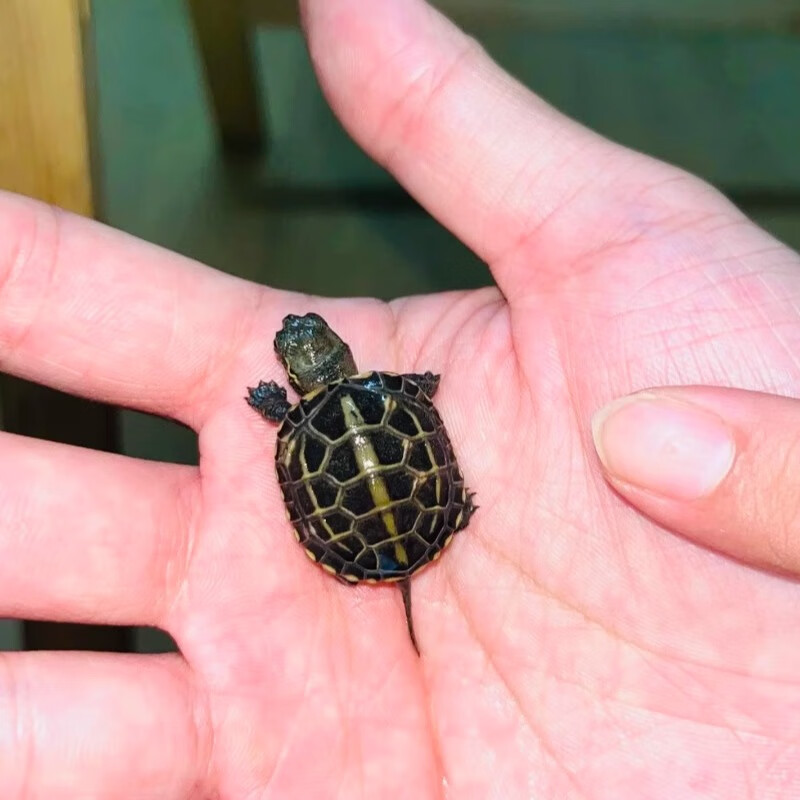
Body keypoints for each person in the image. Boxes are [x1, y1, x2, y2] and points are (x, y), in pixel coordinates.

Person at [0, 0, 798, 796]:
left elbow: (328, 451)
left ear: (305, 375)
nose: (302, 342)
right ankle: (429, 528)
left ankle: (391, 547)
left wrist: (283, 414)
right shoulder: (383, 392)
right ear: (337, 360)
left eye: (300, 346)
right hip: (425, 514)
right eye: (302, 344)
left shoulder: (299, 420)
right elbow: (416, 405)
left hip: (376, 530)